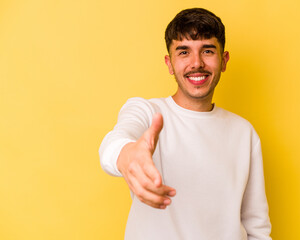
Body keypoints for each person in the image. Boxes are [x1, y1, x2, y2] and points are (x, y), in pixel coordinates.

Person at [99, 8, 271, 240]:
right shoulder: (147, 112)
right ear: (170, 64)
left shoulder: (244, 133)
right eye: (184, 52)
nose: (196, 63)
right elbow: (115, 141)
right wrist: (126, 155)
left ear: (224, 60)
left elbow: (257, 229)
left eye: (207, 51)